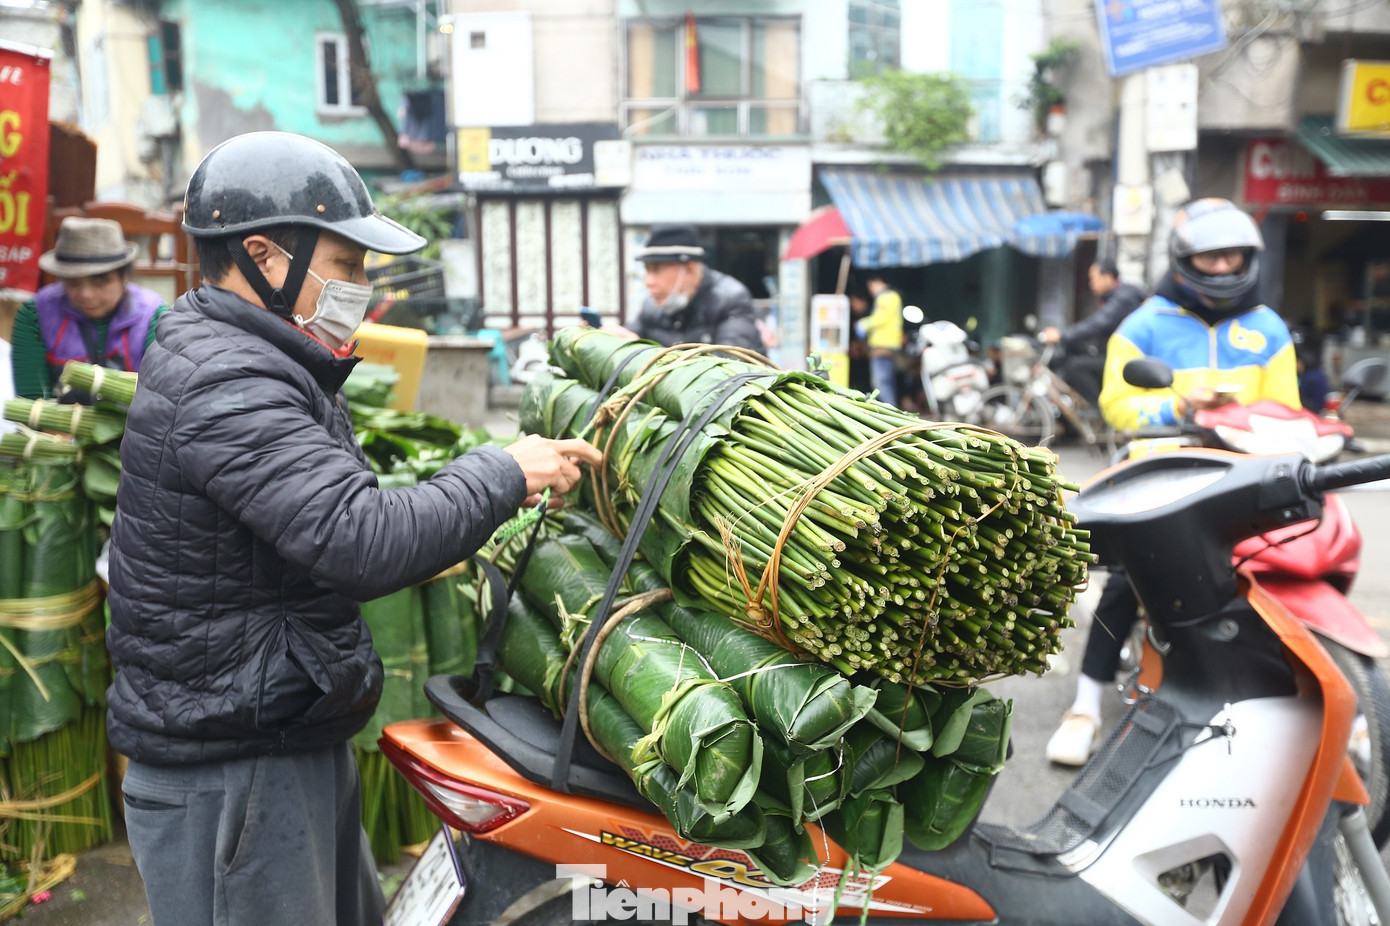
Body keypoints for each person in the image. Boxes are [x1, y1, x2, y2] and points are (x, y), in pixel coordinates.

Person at [104, 131, 603, 926]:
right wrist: (504, 472)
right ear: (263, 255)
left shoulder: (266, 355)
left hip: (276, 738)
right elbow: (357, 537)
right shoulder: (229, 380)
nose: (361, 288)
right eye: (347, 266)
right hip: (233, 771)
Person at [1046, 198, 1299, 766]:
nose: (1221, 266)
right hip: (1162, 468)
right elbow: (1116, 404)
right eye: (1208, 257)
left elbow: (1286, 410)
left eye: (1231, 255)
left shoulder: (1268, 329)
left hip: (1242, 471)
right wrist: (1180, 407)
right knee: (1125, 581)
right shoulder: (1145, 324)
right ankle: (1084, 705)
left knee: (1282, 567)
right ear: (1184, 258)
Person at [11, 217, 168, 399]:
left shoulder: (154, 318)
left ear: (124, 276)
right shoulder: (34, 316)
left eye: (100, 281)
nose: (86, 294)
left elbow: (161, 400)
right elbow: (30, 402)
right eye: (72, 282)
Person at [627, 224, 763, 353]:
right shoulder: (652, 306)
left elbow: (730, 363)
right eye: (647, 270)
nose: (648, 282)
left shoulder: (730, 299)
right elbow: (632, 335)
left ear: (689, 270)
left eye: (657, 270)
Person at [1039, 258, 1145, 406]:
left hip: (1126, 359)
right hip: (1112, 352)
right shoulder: (1113, 296)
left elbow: (1098, 323)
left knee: (1076, 366)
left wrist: (1062, 335)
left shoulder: (1123, 298)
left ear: (1107, 277)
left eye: (1093, 278)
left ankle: (1099, 411)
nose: (1091, 283)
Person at [857, 274, 904, 407]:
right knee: (885, 381)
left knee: (881, 382)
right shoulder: (889, 297)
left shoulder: (887, 297)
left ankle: (890, 411)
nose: (871, 290)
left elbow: (880, 318)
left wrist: (863, 324)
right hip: (884, 347)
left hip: (883, 347)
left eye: (871, 286)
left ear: (877, 282)